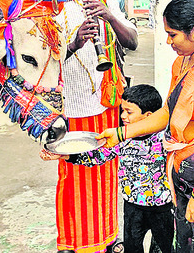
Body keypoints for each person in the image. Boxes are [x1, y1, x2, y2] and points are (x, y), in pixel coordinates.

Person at [99, 0, 194, 252]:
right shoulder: (183, 62)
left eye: (173, 35)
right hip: (187, 182)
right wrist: (122, 133)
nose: (168, 42)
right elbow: (169, 111)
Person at [51, 0, 138, 253]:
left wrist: (109, 15)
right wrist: (74, 43)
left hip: (106, 98)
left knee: (105, 171)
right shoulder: (51, 3)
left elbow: (132, 41)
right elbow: (43, 58)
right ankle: (72, 242)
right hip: (73, 106)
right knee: (74, 176)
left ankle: (105, 237)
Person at [42, 84, 174, 253]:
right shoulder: (121, 137)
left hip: (162, 207)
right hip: (132, 207)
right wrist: (65, 156)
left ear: (148, 116)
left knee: (166, 247)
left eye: (129, 112)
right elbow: (97, 157)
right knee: (133, 248)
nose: (123, 116)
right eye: (122, 110)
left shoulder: (164, 139)